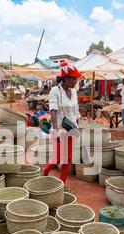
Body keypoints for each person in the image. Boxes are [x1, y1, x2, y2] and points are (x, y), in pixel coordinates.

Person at [42, 62, 82, 190]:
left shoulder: (74, 91)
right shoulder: (55, 91)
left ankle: (62, 184)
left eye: (76, 78)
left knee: (68, 158)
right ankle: (45, 170)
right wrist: (56, 130)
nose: (76, 81)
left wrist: (78, 126)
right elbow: (53, 111)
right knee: (59, 157)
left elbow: (76, 111)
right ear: (65, 79)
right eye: (73, 78)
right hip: (59, 129)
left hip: (71, 129)